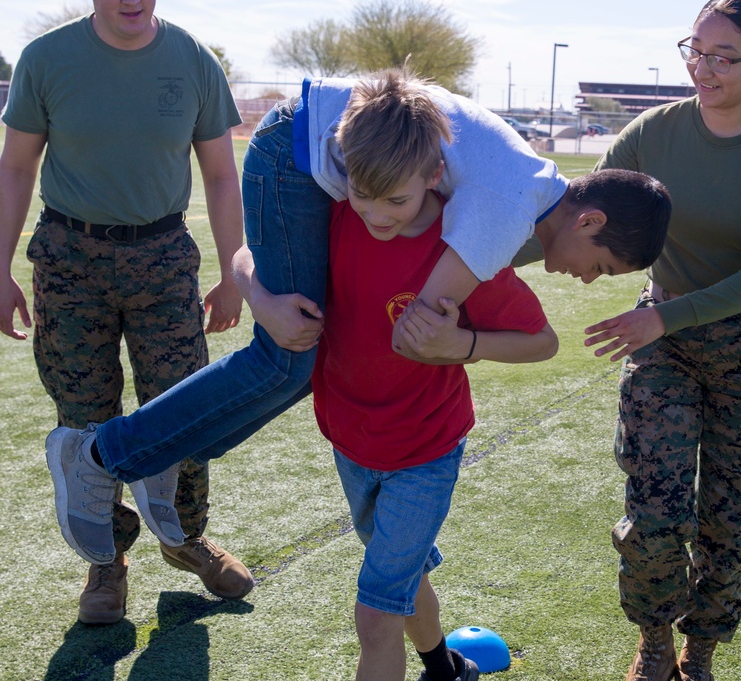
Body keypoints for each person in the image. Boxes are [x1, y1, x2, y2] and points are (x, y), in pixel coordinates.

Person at [44, 80, 672, 557]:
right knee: (289, 357)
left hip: (328, 137)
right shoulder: (510, 208)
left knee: (300, 356)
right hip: (295, 148)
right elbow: (416, 328)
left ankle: (159, 448)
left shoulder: (525, 191)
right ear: (589, 222)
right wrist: (463, 344)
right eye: (603, 267)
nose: (590, 280)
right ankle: (96, 454)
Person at [312, 73, 558, 681]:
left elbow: (542, 340)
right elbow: (255, 252)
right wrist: (251, 285)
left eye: (399, 202)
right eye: (363, 197)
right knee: (401, 572)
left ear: (436, 177)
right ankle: (443, 669)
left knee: (375, 609)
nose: (379, 219)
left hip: (425, 447)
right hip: (350, 436)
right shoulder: (338, 211)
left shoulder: (466, 245)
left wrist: (466, 345)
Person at [0, 0, 252, 626]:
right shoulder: (45, 60)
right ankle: (106, 564)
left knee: (183, 409)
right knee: (85, 418)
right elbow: (16, 168)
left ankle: (187, 538)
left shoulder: (194, 61)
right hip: (69, 259)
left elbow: (222, 177)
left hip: (163, 257)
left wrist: (234, 270)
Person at [584, 0, 741, 681]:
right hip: (665, 345)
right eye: (696, 50)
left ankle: (700, 659)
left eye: (725, 57)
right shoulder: (655, 132)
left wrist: (663, 314)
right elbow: (582, 207)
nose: (704, 68)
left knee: (733, 518)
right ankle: (652, 648)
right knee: (655, 505)